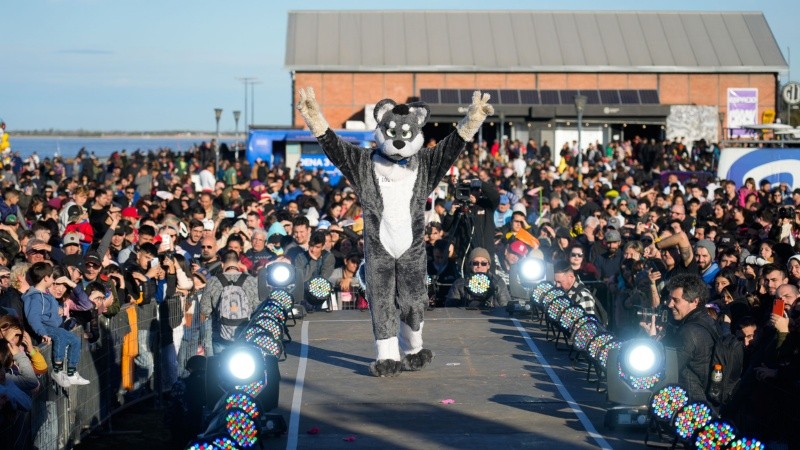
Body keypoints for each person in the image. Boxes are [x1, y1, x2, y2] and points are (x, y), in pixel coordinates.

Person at [646, 274, 718, 403]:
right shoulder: (707, 321)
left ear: (695, 301)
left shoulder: (689, 332)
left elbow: (667, 370)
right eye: (670, 299)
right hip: (700, 401)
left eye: (676, 300)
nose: (670, 304)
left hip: (689, 404)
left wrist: (653, 340)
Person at [22, 262, 90, 387]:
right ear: (46, 278)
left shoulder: (47, 296)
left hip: (54, 326)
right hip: (45, 328)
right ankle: (57, 370)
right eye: (54, 281)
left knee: (75, 340)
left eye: (64, 285)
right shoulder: (35, 297)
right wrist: (42, 332)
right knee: (60, 336)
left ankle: (71, 372)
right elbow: (33, 317)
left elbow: (87, 305)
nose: (60, 288)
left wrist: (58, 311)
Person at [200, 250, 259, 355]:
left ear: (222, 264)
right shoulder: (251, 280)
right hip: (245, 333)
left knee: (220, 363)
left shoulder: (213, 281)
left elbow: (204, 310)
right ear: (238, 263)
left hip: (220, 333)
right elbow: (257, 307)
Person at [445, 247, 510, 308]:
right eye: (475, 263)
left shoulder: (498, 282)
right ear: (470, 265)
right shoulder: (459, 284)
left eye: (483, 263)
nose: (479, 266)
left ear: (488, 265)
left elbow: (506, 307)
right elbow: (450, 309)